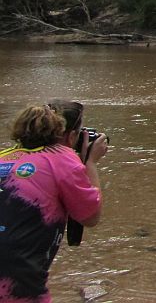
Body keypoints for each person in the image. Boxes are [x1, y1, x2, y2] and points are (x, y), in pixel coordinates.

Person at [1, 101, 107, 303]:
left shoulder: (4, 156)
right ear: (72, 136)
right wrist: (90, 163)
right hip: (18, 279)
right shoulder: (62, 159)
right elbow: (90, 216)